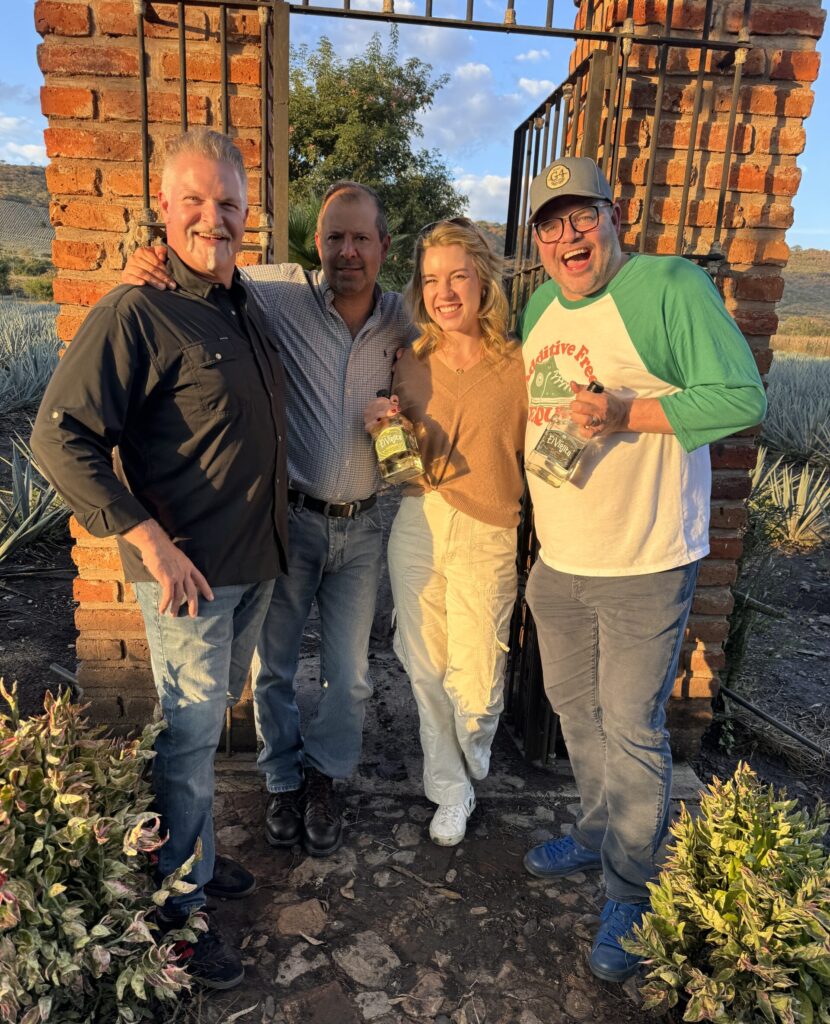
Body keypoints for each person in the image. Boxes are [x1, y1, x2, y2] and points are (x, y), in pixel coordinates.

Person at [31, 128, 289, 990]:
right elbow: (58, 438)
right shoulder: (132, 311)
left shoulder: (241, 302)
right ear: (162, 206)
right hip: (190, 575)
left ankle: (198, 862)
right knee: (185, 744)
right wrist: (146, 540)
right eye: (194, 201)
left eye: (228, 203)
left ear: (248, 213)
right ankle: (178, 913)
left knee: (204, 735)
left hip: (252, 563)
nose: (212, 218)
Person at [517, 156, 767, 981]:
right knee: (574, 711)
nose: (568, 236)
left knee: (632, 728)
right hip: (561, 557)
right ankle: (598, 831)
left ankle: (630, 884)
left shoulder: (667, 288)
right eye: (550, 224)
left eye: (581, 215)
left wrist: (629, 413)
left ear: (612, 215)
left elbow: (740, 397)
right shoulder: (541, 305)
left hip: (645, 560)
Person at [123, 182, 413, 858]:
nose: (347, 251)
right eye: (335, 237)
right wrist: (151, 261)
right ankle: (282, 778)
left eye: (361, 239)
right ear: (318, 243)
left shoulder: (403, 317)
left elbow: (470, 324)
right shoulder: (275, 296)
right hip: (290, 524)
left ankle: (327, 776)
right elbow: (203, 269)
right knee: (275, 666)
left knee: (351, 673)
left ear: (383, 247)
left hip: (365, 528)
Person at [364, 219, 526, 846]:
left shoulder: (520, 361)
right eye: (432, 279)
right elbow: (389, 443)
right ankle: (451, 790)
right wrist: (381, 424)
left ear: (483, 280)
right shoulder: (408, 358)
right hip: (418, 520)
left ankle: (470, 747)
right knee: (426, 666)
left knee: (478, 682)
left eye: (458, 275)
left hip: (489, 528)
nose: (445, 291)